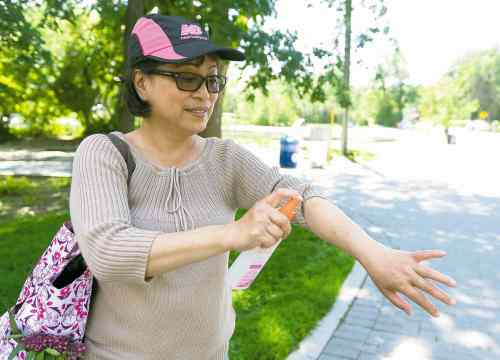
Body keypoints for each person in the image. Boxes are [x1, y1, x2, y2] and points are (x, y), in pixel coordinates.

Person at [70, 14, 457, 360]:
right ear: (142, 82)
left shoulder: (225, 159)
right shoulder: (103, 153)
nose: (205, 94)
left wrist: (374, 254)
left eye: (213, 79)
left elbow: (303, 197)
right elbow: (109, 251)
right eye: (187, 78)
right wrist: (232, 234)